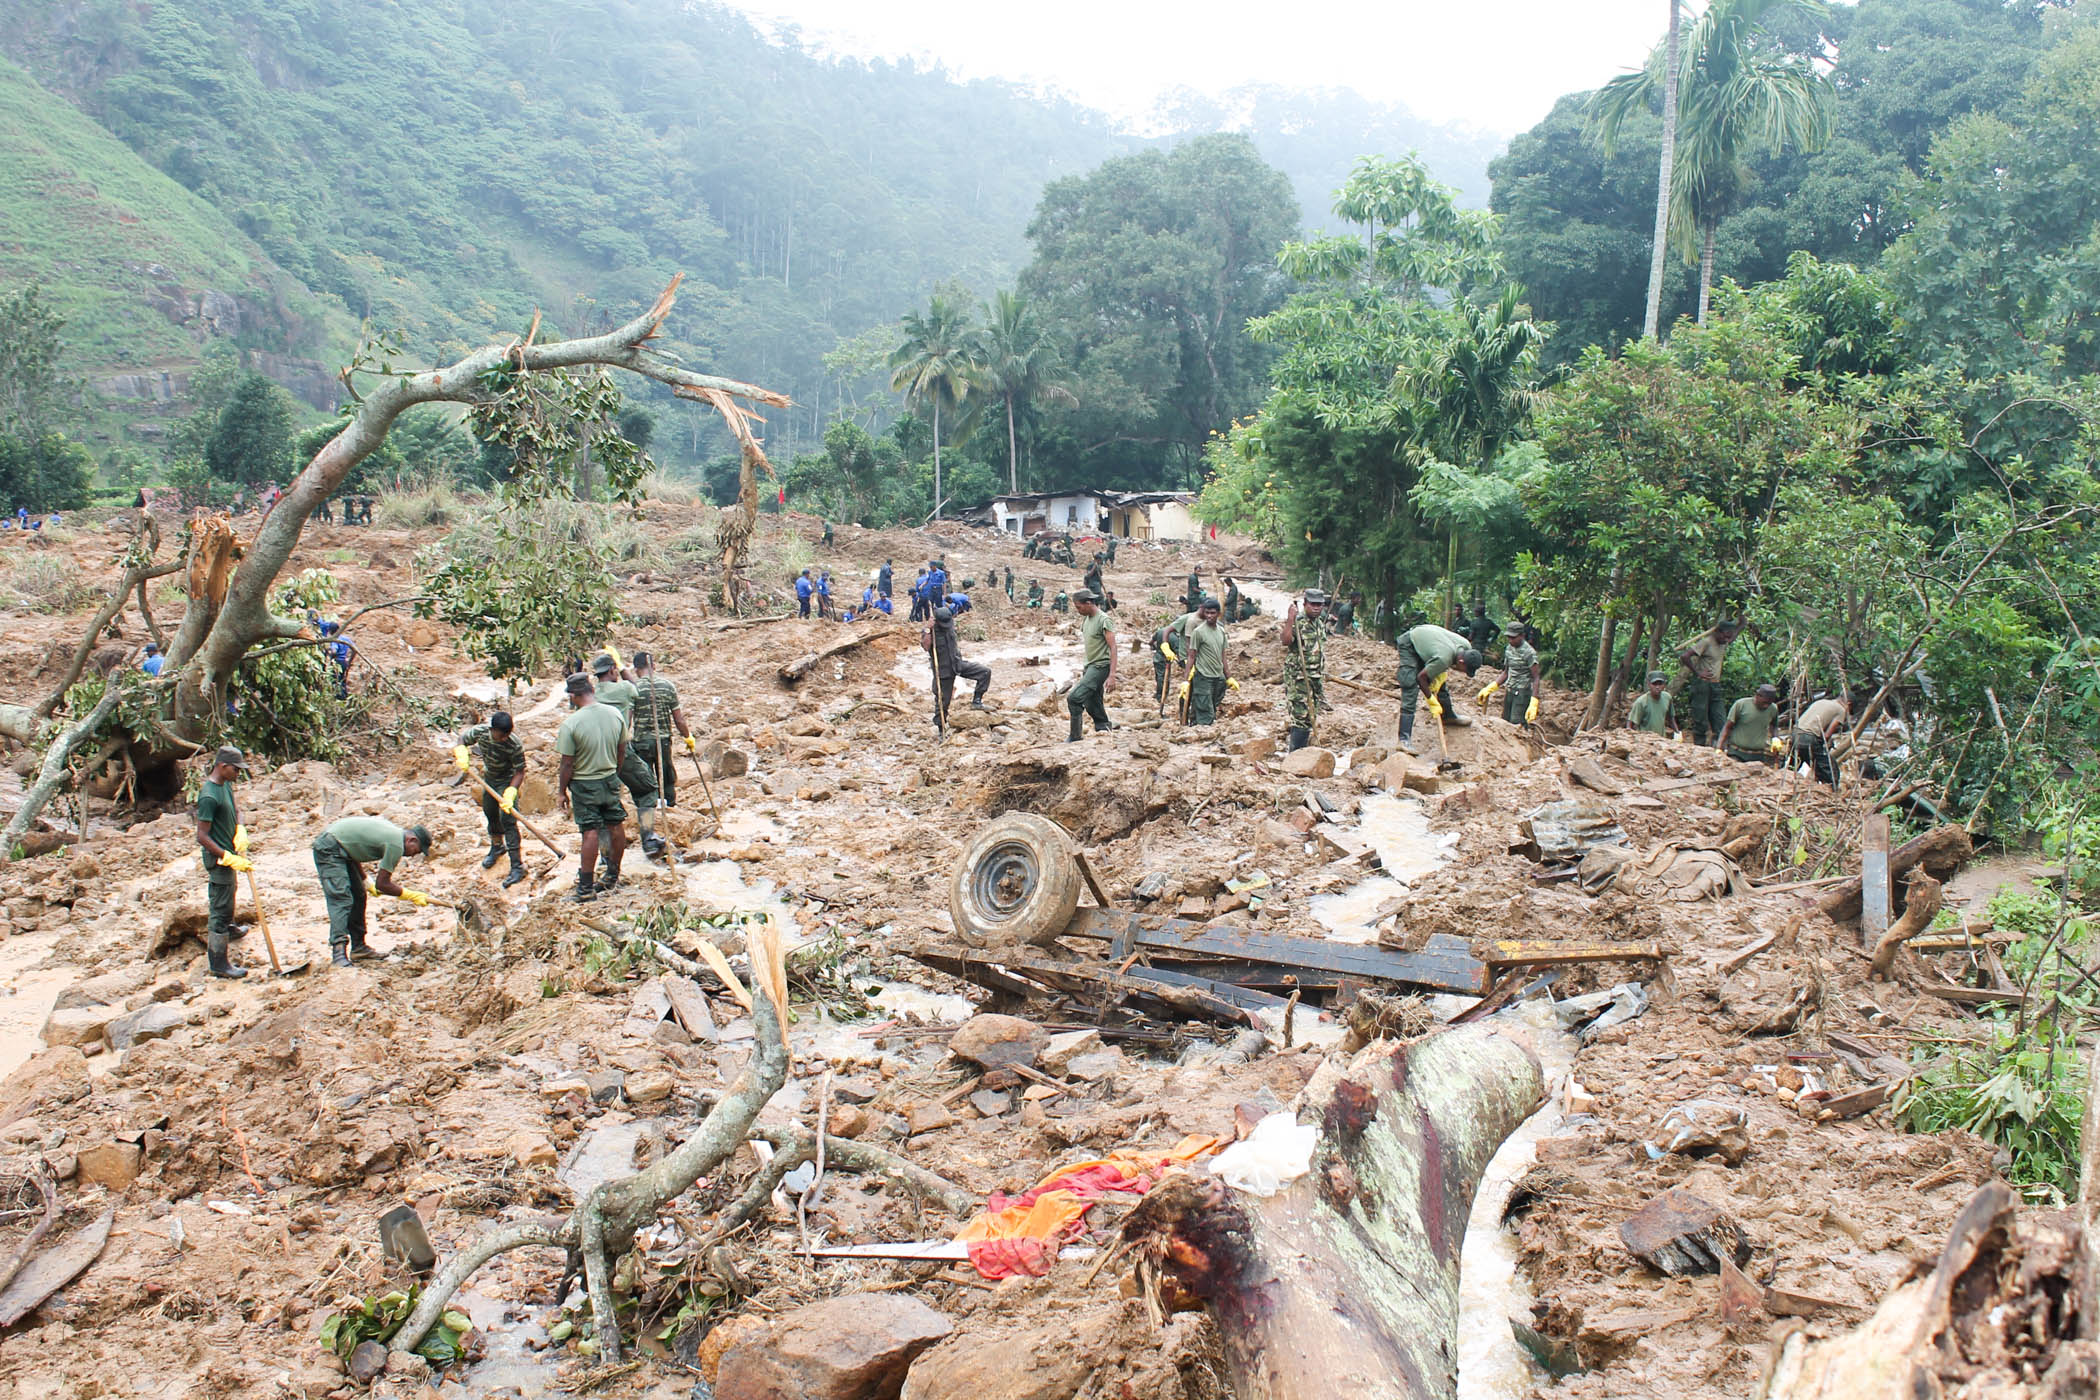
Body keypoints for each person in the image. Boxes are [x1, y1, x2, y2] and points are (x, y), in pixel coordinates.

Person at [311, 815, 430, 967]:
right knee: (341, 898)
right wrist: (410, 895)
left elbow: (354, 848)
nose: (414, 855)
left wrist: (364, 880)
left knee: (359, 895)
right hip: (329, 848)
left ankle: (359, 948)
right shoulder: (396, 844)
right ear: (411, 840)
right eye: (417, 851)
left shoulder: (393, 833)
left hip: (340, 847)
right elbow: (383, 884)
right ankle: (338, 953)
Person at [556, 672, 629, 902]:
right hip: (609, 777)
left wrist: (561, 791)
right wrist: (614, 773)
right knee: (615, 825)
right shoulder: (615, 714)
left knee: (590, 832)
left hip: (584, 783)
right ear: (592, 690)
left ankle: (586, 888)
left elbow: (567, 763)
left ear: (573, 696)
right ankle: (612, 876)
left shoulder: (571, 724)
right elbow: (622, 750)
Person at [589, 653, 662, 857]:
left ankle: (605, 854)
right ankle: (648, 838)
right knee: (647, 788)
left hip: (594, 754)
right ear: (612, 670)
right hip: (619, 749)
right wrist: (623, 668)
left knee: (602, 804)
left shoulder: (592, 693)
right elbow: (638, 689)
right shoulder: (623, 688)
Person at [195, 746, 253, 979]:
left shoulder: (225, 784)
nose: (238, 774)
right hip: (219, 859)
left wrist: (240, 829)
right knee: (220, 906)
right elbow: (202, 836)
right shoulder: (209, 796)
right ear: (222, 766)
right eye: (235, 769)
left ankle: (230, 928)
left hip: (230, 853)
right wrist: (226, 857)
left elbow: (237, 810)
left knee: (231, 890)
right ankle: (219, 963)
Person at [457, 711, 529, 888]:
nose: (504, 738)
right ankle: (497, 846)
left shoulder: (514, 744)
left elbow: (520, 771)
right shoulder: (481, 732)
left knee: (508, 819)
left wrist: (511, 791)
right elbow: (462, 739)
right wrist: (461, 752)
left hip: (507, 781)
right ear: (492, 730)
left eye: (507, 735)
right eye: (501, 735)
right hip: (489, 779)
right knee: (490, 812)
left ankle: (517, 866)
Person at [1395, 621, 1480, 748]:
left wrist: (1438, 676)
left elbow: (1441, 660)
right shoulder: (1443, 658)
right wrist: (1431, 700)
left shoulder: (1466, 646)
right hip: (1410, 642)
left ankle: (1448, 716)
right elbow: (1421, 678)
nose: (1463, 672)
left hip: (1430, 644)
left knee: (1438, 680)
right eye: (1465, 670)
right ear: (1461, 662)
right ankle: (1404, 740)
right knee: (1410, 684)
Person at [630, 652, 694, 813]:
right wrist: (688, 737)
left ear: (636, 669)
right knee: (666, 778)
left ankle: (648, 813)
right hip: (663, 740)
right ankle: (670, 809)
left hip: (642, 742)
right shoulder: (668, 686)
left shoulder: (634, 688)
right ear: (654, 666)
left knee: (644, 780)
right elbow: (679, 719)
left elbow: (627, 719)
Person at [1677, 619, 1745, 747]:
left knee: (1720, 719)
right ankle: (1700, 747)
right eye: (1725, 636)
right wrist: (1698, 672)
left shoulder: (1723, 642)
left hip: (1715, 685)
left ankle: (1719, 747)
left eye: (1729, 637)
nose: (1727, 640)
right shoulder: (1706, 642)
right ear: (1718, 632)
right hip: (1702, 685)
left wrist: (1742, 624)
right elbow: (1685, 656)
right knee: (1700, 719)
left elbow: (1732, 636)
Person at [925, 604, 992, 722]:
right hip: (943, 670)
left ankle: (977, 702)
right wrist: (927, 629)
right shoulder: (931, 631)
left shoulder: (949, 624)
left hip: (957, 664)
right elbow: (925, 646)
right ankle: (940, 726)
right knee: (943, 702)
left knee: (985, 672)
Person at [1281, 589, 1329, 751]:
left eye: (1319, 605)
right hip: (1299, 678)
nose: (1316, 608)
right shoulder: (1298, 622)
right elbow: (1285, 641)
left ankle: (1304, 754)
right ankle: (1295, 756)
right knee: (1300, 717)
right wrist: (1290, 619)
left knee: (1310, 716)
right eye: (1313, 604)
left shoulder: (1319, 623)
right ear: (1305, 604)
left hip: (1315, 677)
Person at [1067, 590, 1118, 741]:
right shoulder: (1087, 619)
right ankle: (1103, 725)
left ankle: (1075, 736)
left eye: (1079, 607)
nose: (1078, 610)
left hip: (1100, 666)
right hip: (1090, 666)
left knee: (1074, 698)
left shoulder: (1104, 620)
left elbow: (1113, 647)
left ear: (1088, 603)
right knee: (1091, 700)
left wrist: (1112, 675)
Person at [1178, 597, 1233, 726]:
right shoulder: (1199, 632)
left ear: (1218, 614)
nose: (1209, 616)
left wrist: (1229, 677)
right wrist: (1186, 680)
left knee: (1210, 706)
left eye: (1212, 613)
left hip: (1217, 675)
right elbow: (1191, 655)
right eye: (1207, 613)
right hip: (1203, 676)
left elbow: (1223, 655)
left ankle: (1195, 724)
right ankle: (1202, 730)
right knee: (1205, 711)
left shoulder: (1221, 631)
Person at [1480, 619, 1539, 726]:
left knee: (1516, 724)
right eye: (1509, 637)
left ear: (1522, 635)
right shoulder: (1509, 649)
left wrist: (1534, 701)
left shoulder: (1529, 653)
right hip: (1510, 690)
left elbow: (1536, 678)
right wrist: (1491, 687)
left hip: (1522, 693)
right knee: (1505, 722)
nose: (1510, 640)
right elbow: (1506, 672)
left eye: (1513, 637)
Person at [1791, 692, 1853, 786]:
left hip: (1795, 734)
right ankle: (1831, 789)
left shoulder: (1821, 702)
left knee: (1794, 765)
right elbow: (1827, 735)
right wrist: (1824, 745)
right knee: (1830, 769)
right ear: (1849, 704)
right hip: (1808, 737)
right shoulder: (1841, 710)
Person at [1718, 683, 1784, 763]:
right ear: (1757, 695)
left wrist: (1775, 738)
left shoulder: (1773, 708)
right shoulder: (1741, 705)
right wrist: (1719, 748)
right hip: (1736, 753)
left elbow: (1774, 725)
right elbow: (1727, 727)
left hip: (1757, 755)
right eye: (1764, 702)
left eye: (1769, 703)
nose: (1766, 706)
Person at [321, 621, 353, 698]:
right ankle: (344, 696)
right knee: (342, 680)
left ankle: (338, 697)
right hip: (344, 662)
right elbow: (354, 649)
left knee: (336, 681)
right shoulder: (346, 638)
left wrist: (328, 652)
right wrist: (349, 661)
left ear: (330, 631)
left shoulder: (335, 640)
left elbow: (334, 651)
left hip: (337, 662)